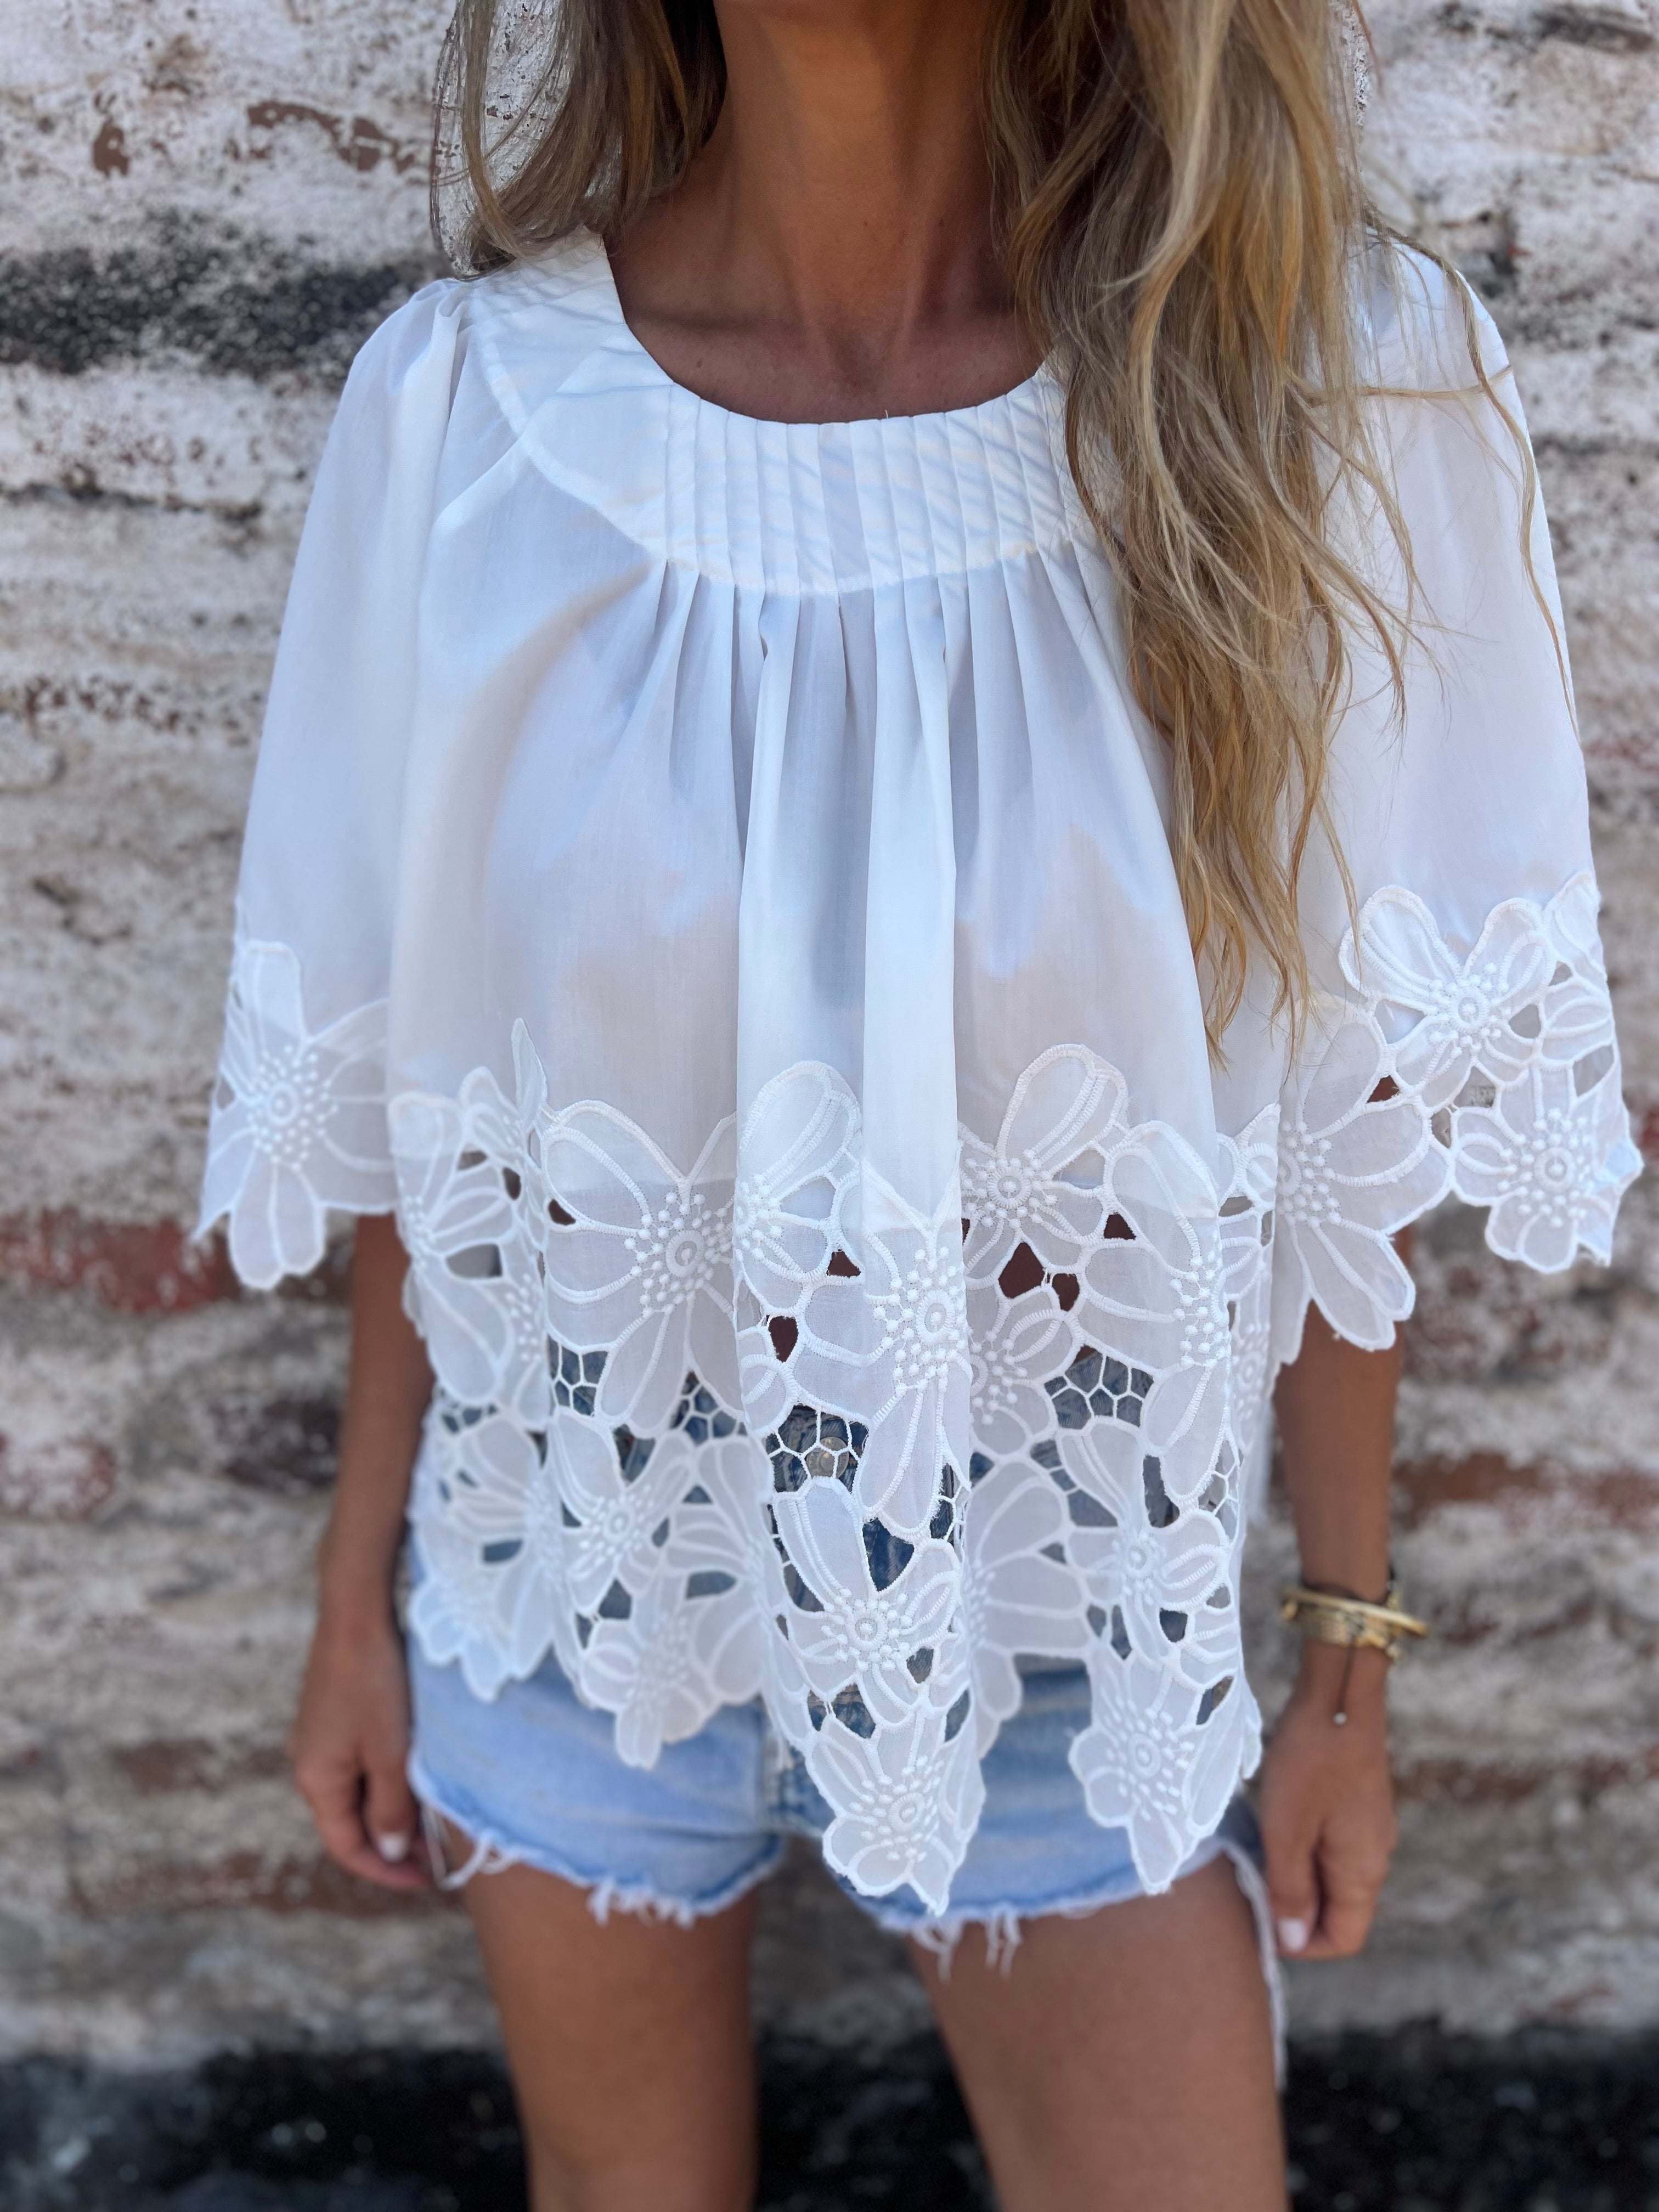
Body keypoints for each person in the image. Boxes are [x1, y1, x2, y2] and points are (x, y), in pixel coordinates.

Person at [195, 2, 1639, 2206]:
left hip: (1075, 1635)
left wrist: (1344, 1664)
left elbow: (1340, 1151)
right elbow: (449, 1112)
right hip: (585, 1593)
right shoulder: (471, 423)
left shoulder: (1317, 390)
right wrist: (351, 1600)